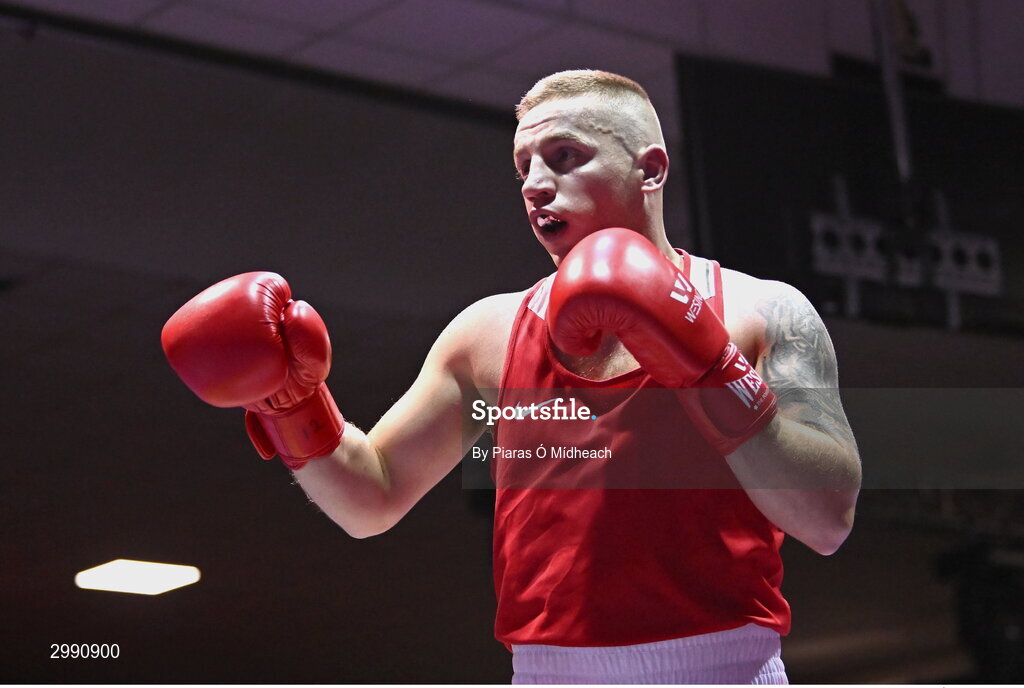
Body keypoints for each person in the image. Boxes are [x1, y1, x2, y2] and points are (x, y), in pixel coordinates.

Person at [162, 70, 861, 684]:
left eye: (563, 157)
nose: (534, 184)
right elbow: (371, 497)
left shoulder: (762, 312)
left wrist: (708, 364)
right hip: (545, 674)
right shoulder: (487, 334)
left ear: (650, 170)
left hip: (722, 670)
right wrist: (291, 404)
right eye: (523, 165)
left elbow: (827, 520)